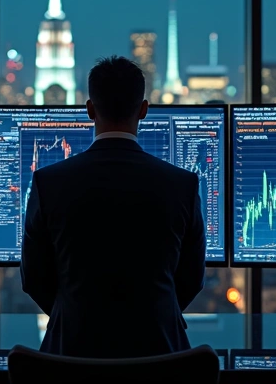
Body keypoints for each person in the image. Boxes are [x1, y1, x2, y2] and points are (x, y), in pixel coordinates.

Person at [20, 56, 206, 358]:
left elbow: (33, 279)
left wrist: (74, 313)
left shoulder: (47, 183)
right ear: (144, 110)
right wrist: (151, 316)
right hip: (160, 361)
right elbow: (192, 279)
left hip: (69, 360)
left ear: (90, 109)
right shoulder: (182, 185)